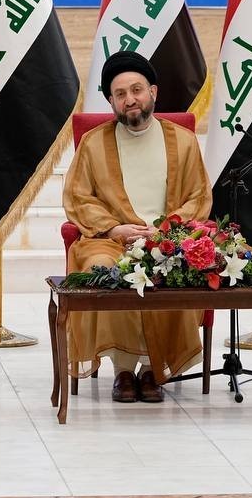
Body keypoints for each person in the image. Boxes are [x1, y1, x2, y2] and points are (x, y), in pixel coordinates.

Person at [63, 51, 209, 402]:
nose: (130, 99)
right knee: (103, 269)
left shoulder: (184, 141)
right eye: (120, 94)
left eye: (136, 90)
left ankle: (150, 370)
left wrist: (167, 232)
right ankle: (124, 370)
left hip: (168, 238)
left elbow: (198, 196)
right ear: (111, 102)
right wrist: (114, 229)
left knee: (173, 268)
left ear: (153, 92)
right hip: (109, 239)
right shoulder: (93, 143)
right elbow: (79, 197)